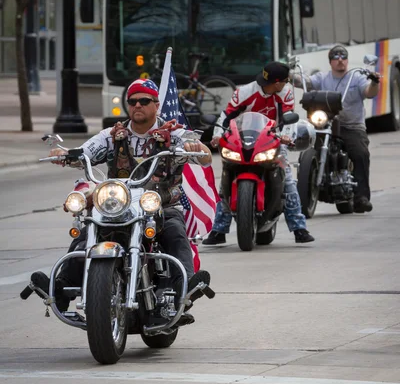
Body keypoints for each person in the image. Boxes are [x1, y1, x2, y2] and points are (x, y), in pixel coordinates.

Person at [32, 79, 213, 319]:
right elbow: (86, 151)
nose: (138, 105)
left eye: (144, 101)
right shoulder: (113, 135)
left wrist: (197, 148)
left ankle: (185, 287)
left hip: (161, 205)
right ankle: (61, 288)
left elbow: (205, 156)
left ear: (156, 105)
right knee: (86, 232)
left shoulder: (174, 134)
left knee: (175, 232)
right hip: (119, 207)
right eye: (133, 101)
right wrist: (66, 154)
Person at [203, 62, 315, 246]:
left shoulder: (285, 93)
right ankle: (218, 231)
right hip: (241, 141)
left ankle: (299, 229)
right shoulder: (244, 92)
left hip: (273, 139)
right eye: (285, 81)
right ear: (277, 82)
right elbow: (226, 115)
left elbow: (289, 117)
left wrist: (287, 136)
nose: (286, 84)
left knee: (287, 180)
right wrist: (216, 136)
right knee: (225, 182)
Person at [291, 44, 381, 213]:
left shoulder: (357, 77)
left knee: (360, 153)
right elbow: (307, 82)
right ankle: (306, 184)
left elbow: (369, 92)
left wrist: (375, 82)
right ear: (330, 61)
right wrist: (289, 75)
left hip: (351, 126)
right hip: (325, 124)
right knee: (307, 145)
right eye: (336, 57)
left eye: (343, 57)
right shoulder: (322, 78)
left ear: (347, 60)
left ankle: (361, 197)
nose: (340, 60)